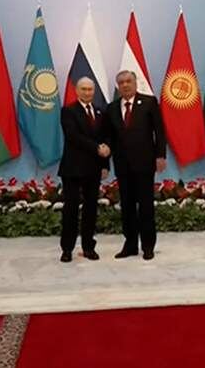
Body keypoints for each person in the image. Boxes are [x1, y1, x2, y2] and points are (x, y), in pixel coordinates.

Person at [102, 70, 166, 260]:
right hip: (123, 165)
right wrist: (105, 162)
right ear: (118, 86)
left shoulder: (149, 102)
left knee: (146, 206)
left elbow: (159, 131)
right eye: (121, 82)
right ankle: (130, 245)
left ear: (135, 83)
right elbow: (108, 138)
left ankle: (148, 246)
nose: (125, 85)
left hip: (145, 163)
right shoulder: (112, 108)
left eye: (128, 81)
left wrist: (160, 155)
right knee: (127, 207)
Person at [58, 77, 110, 263]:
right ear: (77, 91)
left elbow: (105, 138)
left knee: (91, 209)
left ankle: (88, 247)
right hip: (73, 168)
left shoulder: (100, 111)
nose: (87, 92)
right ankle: (67, 249)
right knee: (71, 209)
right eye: (84, 89)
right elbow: (73, 136)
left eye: (90, 89)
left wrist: (105, 164)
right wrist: (97, 148)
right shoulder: (68, 111)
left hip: (93, 169)